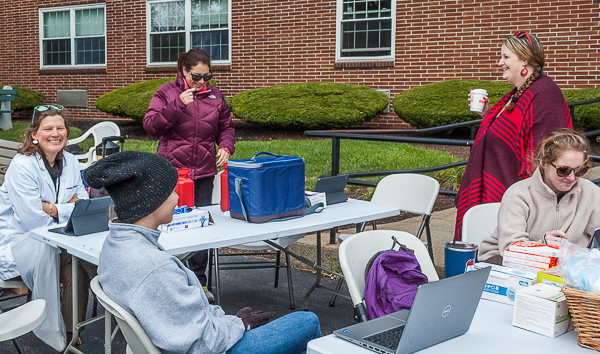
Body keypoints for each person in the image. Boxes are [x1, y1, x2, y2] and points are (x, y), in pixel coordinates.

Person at [84, 151, 321, 354]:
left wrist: (230, 321)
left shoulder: (115, 244)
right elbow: (202, 345)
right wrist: (239, 324)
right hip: (212, 348)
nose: (178, 197)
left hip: (189, 337)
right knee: (306, 322)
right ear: (151, 202)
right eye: (171, 191)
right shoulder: (154, 267)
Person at [454, 31, 573, 241]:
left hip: (519, 207)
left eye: (506, 57)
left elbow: (549, 155)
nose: (500, 62)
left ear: (525, 59)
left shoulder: (544, 94)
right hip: (502, 198)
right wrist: (488, 115)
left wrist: (534, 211)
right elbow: (507, 135)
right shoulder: (520, 94)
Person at [143, 48, 235, 298]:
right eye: (197, 76)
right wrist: (176, 105)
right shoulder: (167, 93)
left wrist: (226, 146)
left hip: (204, 173)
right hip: (172, 173)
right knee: (168, 226)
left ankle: (199, 283)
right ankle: (167, 283)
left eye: (207, 76)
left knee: (201, 229)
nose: (202, 82)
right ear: (184, 71)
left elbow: (226, 126)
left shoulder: (216, 96)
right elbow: (151, 126)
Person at [0, 106, 93, 349]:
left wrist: (52, 209)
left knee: (82, 262)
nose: (55, 134)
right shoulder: (23, 166)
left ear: (67, 132)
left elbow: (83, 204)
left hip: (57, 237)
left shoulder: (71, 161)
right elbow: (33, 222)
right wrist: (66, 209)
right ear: (34, 135)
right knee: (80, 261)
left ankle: (71, 334)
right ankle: (113, 313)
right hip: (21, 243)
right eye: (48, 129)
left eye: (60, 128)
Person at [478, 129, 600, 263]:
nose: (571, 177)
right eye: (564, 170)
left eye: (580, 170)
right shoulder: (519, 194)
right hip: (504, 262)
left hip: (564, 267)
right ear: (544, 163)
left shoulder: (591, 192)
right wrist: (543, 245)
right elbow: (509, 248)